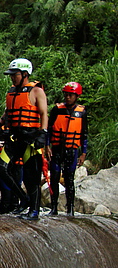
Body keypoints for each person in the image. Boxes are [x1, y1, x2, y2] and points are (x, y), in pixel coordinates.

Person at [0, 58, 48, 220]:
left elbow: (44, 114)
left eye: (14, 74)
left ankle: (34, 210)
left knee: (31, 176)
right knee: (1, 168)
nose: (12, 77)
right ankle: (23, 199)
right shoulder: (11, 91)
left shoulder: (36, 91)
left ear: (24, 74)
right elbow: (8, 112)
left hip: (30, 138)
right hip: (14, 137)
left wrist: (43, 133)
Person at [47, 82, 88, 216]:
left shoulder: (81, 112)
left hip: (72, 151)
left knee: (70, 180)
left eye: (71, 95)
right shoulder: (57, 110)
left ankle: (70, 209)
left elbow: (84, 134)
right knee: (54, 178)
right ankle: (54, 207)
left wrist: (83, 153)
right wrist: (47, 146)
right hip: (57, 150)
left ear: (76, 96)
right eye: (66, 94)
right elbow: (48, 130)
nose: (68, 97)